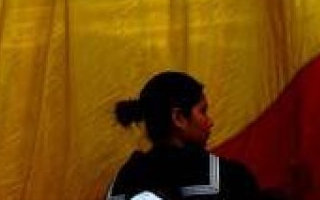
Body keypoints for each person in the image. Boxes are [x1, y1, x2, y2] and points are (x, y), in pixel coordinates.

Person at [106, 71, 260, 200]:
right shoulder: (231, 179)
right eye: (203, 111)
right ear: (178, 118)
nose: (210, 122)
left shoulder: (123, 182)